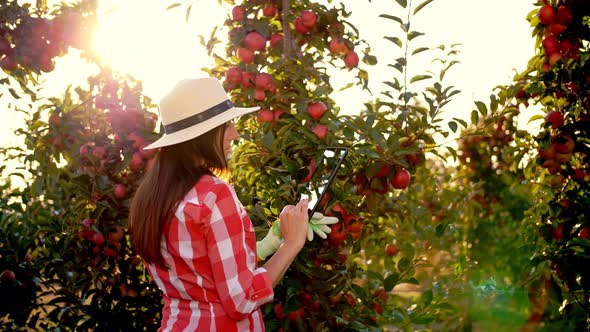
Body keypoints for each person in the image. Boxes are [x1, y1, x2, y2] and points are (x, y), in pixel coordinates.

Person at [128, 77, 337, 332]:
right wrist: (291, 245)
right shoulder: (215, 195)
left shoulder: (153, 196)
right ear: (204, 135)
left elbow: (205, 270)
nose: (235, 134)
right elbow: (241, 299)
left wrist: (272, 240)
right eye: (227, 124)